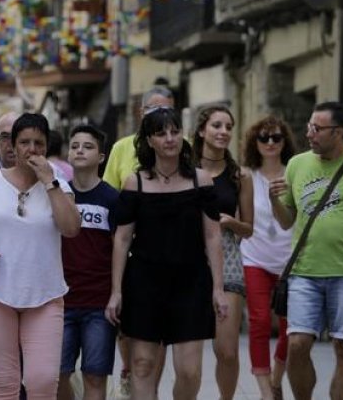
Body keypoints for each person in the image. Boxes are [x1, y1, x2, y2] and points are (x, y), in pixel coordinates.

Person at [0, 113, 81, 399]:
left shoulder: (59, 185)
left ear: (47, 146)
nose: (32, 149)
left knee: (42, 380)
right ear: (13, 145)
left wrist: (49, 182)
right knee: (3, 385)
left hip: (45, 295)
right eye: (24, 142)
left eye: (39, 143)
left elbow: (71, 228)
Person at [268, 101, 343, 400]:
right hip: (303, 272)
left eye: (317, 128)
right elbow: (287, 221)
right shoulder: (297, 164)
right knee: (297, 344)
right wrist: (273, 201)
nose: (309, 133)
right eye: (310, 126)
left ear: (338, 132)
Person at [106, 107, 227, 400]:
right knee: (142, 364)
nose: (170, 138)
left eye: (175, 131)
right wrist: (116, 291)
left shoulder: (201, 180)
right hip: (144, 282)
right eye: (161, 133)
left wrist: (218, 288)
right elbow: (122, 239)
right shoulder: (135, 182)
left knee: (189, 371)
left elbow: (213, 236)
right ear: (149, 140)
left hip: (191, 281)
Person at [101, 85, 174, 397]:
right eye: (154, 110)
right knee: (127, 328)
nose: (161, 117)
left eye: (167, 110)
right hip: (128, 251)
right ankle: (130, 374)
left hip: (167, 252)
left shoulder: (179, 146)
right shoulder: (122, 148)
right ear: (141, 113)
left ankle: (149, 389)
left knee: (159, 333)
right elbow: (108, 197)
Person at [192, 104, 252, 400]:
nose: (224, 131)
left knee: (227, 351)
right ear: (202, 130)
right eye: (217, 125)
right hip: (189, 258)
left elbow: (249, 229)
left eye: (229, 127)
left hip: (228, 259)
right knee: (188, 350)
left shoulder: (240, 176)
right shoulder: (184, 171)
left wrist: (231, 222)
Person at [58, 125, 118, 400]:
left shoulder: (112, 198)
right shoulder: (59, 196)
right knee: (57, 375)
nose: (80, 150)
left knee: (95, 377)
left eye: (88, 146)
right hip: (61, 301)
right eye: (75, 146)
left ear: (101, 157)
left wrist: (117, 294)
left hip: (99, 303)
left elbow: (120, 249)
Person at [239, 115, 297, 400]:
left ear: (285, 142)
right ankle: (265, 392)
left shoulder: (294, 172)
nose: (270, 142)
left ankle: (276, 378)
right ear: (255, 142)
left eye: (276, 137)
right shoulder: (245, 175)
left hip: (290, 261)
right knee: (260, 321)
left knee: (291, 328)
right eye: (264, 137)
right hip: (255, 259)